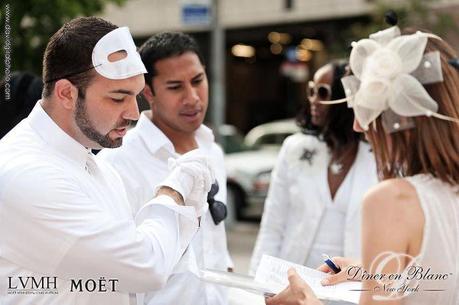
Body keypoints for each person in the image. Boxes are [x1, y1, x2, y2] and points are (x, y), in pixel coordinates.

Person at [0, 17, 214, 305]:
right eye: (118, 98)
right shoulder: (26, 172)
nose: (134, 113)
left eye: (136, 96)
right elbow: (146, 266)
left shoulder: (94, 164)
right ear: (66, 93)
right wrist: (174, 192)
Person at [265, 26, 459, 305]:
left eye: (365, 110)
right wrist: (367, 271)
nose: (360, 125)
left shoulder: (392, 200)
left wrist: (307, 300)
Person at [97, 32, 232, 305]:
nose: (192, 97)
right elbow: (111, 273)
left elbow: (216, 246)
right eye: (175, 87)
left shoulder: (212, 152)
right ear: (148, 92)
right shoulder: (118, 163)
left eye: (197, 81)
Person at [250, 60, 378, 300]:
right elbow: (272, 225)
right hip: (290, 287)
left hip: (349, 292)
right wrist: (259, 288)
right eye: (311, 90)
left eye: (323, 92)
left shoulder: (378, 159)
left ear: (346, 97)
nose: (313, 100)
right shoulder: (294, 149)